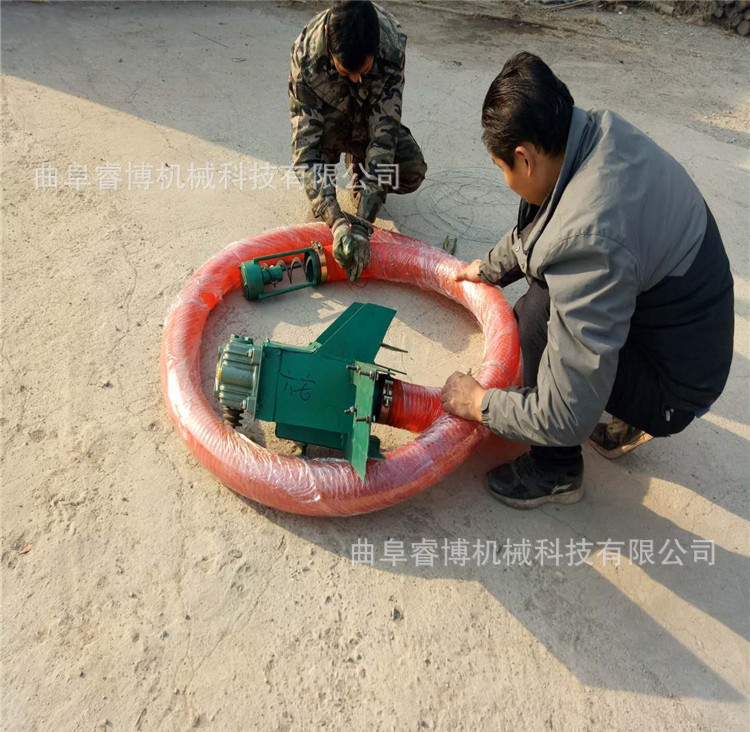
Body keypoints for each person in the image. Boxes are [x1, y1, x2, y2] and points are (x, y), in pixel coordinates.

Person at [440, 52, 734, 510]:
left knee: (536, 314)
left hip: (676, 386)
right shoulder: (593, 135)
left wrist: (480, 403)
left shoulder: (590, 239)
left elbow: (566, 411)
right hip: (683, 334)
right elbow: (547, 223)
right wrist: (491, 268)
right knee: (552, 296)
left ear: (524, 158)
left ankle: (556, 471)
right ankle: (626, 404)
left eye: (502, 168)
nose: (506, 180)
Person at [288, 0, 427, 282]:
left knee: (410, 169)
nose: (355, 79)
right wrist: (336, 221)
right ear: (330, 48)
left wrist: (363, 224)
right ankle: (336, 186)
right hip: (329, 128)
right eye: (345, 71)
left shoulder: (391, 47)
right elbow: (307, 151)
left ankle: (359, 167)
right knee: (318, 183)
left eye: (363, 70)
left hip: (367, 124)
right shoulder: (306, 57)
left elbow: (384, 135)